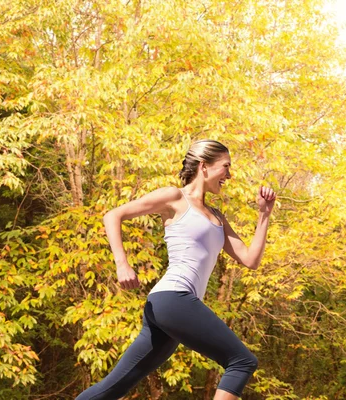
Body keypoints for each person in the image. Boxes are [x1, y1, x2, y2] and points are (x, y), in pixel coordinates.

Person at [76, 139, 277, 400]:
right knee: (242, 361)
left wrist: (264, 215)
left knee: (113, 388)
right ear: (204, 166)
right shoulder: (175, 197)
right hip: (173, 298)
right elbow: (113, 215)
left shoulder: (217, 216)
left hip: (169, 307)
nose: (230, 174)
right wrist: (122, 264)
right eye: (226, 167)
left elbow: (250, 259)